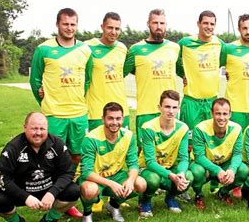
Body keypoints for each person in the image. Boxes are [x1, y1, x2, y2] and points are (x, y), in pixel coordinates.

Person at [29, 7, 92, 219]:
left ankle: (68, 199)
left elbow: (88, 79)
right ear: (57, 24)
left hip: (78, 114)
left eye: (73, 24)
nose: (69, 28)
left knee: (76, 156)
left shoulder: (84, 50)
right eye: (66, 24)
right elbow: (34, 80)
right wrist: (45, 101)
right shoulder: (44, 49)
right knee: (52, 158)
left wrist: (77, 99)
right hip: (54, 115)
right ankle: (50, 199)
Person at [0, 112, 80, 222]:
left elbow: (68, 172)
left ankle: (49, 220)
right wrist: (25, 197)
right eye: (34, 128)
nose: (38, 132)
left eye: (42, 128)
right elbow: (2, 179)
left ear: (47, 129)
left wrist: (52, 193)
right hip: (22, 191)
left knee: (74, 191)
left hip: (48, 190)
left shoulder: (57, 144)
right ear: (25, 127)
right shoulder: (13, 147)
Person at [79, 102, 147, 222]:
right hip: (94, 178)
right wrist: (111, 184)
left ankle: (114, 206)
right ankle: (87, 213)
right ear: (103, 119)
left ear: (122, 119)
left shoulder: (128, 136)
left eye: (118, 118)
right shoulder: (91, 138)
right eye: (110, 118)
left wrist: (130, 180)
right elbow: (86, 172)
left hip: (115, 175)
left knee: (140, 183)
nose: (114, 122)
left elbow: (133, 164)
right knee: (90, 190)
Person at [123, 8, 180, 142]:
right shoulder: (136, 49)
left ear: (166, 25)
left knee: (170, 152)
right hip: (146, 111)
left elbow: (183, 70)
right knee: (144, 154)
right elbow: (123, 72)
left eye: (162, 23)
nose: (158, 27)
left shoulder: (174, 48)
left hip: (169, 110)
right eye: (155, 23)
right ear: (148, 24)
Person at [137, 90, 193, 217]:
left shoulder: (183, 128)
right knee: (153, 179)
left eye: (174, 107)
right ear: (159, 107)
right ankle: (144, 200)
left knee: (188, 176)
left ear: (178, 108)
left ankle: (170, 198)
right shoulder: (148, 127)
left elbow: (184, 158)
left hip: (169, 168)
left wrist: (181, 174)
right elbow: (150, 162)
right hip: (147, 169)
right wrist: (172, 176)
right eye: (167, 106)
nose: (171, 111)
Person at [190, 98, 249, 210]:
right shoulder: (200, 128)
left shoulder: (236, 129)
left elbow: (237, 154)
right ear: (212, 113)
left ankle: (223, 192)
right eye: (218, 114)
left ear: (230, 114)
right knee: (196, 171)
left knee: (243, 170)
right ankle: (198, 195)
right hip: (205, 165)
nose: (221, 118)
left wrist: (232, 169)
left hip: (225, 164)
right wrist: (217, 170)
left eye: (225, 114)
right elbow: (199, 156)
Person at [177, 10, 226, 131]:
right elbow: (172, 60)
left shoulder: (220, 44)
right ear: (198, 23)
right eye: (205, 23)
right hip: (191, 102)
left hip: (212, 102)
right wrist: (183, 73)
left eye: (212, 24)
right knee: (189, 141)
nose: (209, 27)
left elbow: (226, 61)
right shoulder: (185, 43)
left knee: (209, 140)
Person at [85, 12, 130, 131]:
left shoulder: (122, 48)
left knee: (122, 148)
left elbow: (124, 72)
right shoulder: (87, 47)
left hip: (121, 111)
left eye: (117, 28)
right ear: (102, 26)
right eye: (110, 27)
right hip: (96, 111)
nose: (113, 32)